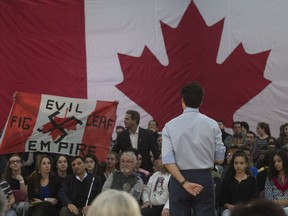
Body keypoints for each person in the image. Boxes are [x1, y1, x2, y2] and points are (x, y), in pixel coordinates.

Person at [162, 82, 226, 216]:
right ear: (201, 101)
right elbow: (220, 160)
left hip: (179, 179)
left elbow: (167, 161)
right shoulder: (212, 124)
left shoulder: (170, 126)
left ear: (182, 100)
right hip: (204, 177)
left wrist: (184, 183)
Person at [221, 150, 258, 216]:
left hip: (248, 210)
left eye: (241, 163)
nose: (238, 166)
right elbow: (222, 199)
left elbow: (255, 199)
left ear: (246, 164)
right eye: (236, 163)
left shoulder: (252, 180)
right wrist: (229, 206)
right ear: (233, 164)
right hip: (230, 210)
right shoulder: (227, 180)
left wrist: (246, 207)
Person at [264, 150, 288, 214]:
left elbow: (274, 201)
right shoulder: (270, 178)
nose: (276, 164)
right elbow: (269, 200)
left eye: (279, 161)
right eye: (274, 162)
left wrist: (277, 201)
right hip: (275, 211)